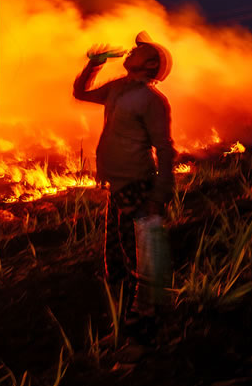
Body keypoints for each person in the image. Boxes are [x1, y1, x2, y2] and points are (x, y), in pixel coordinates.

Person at [73, 31, 176, 340]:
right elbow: (81, 93)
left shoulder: (152, 100)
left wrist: (160, 194)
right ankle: (122, 320)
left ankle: (144, 327)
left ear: (150, 64)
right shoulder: (119, 87)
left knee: (138, 260)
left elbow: (166, 148)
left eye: (139, 51)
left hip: (137, 186)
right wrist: (93, 66)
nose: (131, 51)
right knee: (116, 259)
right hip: (117, 186)